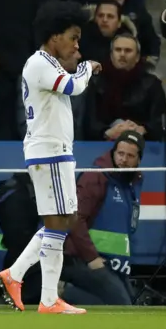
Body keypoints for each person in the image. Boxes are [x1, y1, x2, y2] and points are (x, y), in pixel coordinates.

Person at [0, 0, 101, 315]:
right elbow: (73, 86)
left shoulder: (46, 63)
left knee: (62, 220)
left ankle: (18, 277)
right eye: (73, 36)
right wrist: (87, 68)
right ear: (54, 35)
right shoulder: (40, 63)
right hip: (49, 151)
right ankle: (45, 297)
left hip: (52, 150)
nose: (76, 44)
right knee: (59, 221)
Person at [61, 130, 145, 305]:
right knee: (121, 305)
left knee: (128, 301)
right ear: (113, 153)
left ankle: (67, 294)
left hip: (113, 264)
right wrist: (92, 258)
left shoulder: (133, 183)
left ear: (138, 160)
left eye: (130, 156)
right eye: (120, 153)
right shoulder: (96, 177)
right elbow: (74, 219)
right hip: (83, 260)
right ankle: (61, 293)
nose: (124, 159)